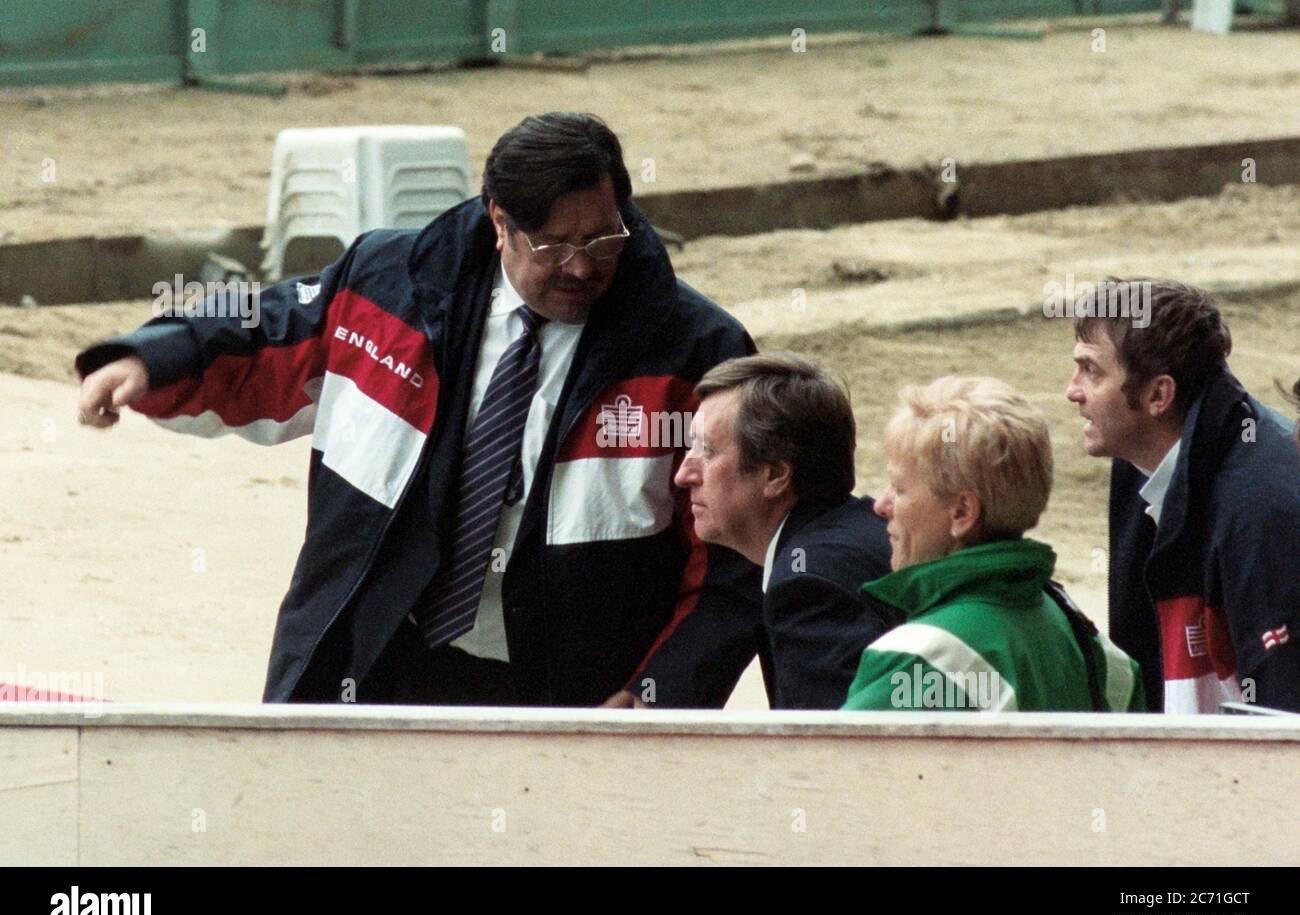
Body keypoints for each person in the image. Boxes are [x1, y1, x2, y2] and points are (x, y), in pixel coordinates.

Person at [75, 112, 762, 708]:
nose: (582, 268)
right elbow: (264, 326)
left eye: (604, 240)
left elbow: (738, 556)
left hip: (570, 700)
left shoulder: (697, 353)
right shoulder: (384, 283)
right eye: (554, 246)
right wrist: (151, 357)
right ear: (500, 222)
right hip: (370, 667)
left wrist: (664, 689)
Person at [1067, 278, 1300, 714]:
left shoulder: (1262, 512)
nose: (1072, 390)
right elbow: (1144, 654)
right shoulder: (1139, 462)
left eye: (1091, 371)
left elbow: (1283, 720)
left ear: (1159, 395)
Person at [843, 376, 1142, 712]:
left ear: (962, 511)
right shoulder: (1095, 651)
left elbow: (827, 764)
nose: (881, 506)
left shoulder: (919, 659)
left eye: (899, 489)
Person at [672, 353, 900, 708]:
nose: (683, 474)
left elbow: (829, 753)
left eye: (707, 450)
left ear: (776, 475)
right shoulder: (858, 535)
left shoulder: (808, 585)